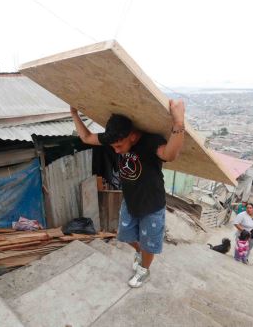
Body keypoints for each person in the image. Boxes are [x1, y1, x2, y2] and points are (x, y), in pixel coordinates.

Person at [70, 99, 186, 288]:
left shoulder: (151, 142)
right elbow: (86, 137)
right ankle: (140, 252)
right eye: (113, 147)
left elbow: (170, 155)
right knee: (124, 235)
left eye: (119, 146)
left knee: (149, 245)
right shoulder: (114, 139)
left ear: (132, 136)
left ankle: (144, 271)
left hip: (152, 204)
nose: (116, 150)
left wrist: (178, 123)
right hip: (130, 201)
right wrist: (74, 114)